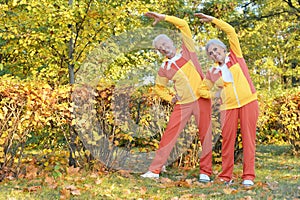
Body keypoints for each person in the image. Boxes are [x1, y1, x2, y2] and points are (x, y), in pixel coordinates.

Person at [141, 11, 213, 183]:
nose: (164, 48)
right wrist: (170, 97)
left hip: (201, 99)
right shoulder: (165, 67)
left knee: (205, 134)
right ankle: (154, 170)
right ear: (159, 52)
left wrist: (164, 18)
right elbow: (159, 88)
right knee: (169, 135)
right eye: (160, 48)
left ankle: (206, 172)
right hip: (183, 104)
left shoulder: (188, 52)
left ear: (171, 42)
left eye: (165, 44)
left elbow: (184, 25)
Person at [194, 13, 259, 187]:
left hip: (248, 102)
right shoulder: (212, 72)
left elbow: (230, 31)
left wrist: (213, 20)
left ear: (223, 49)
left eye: (216, 49)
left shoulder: (236, 56)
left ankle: (248, 176)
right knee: (227, 142)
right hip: (227, 107)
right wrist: (215, 95)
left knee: (248, 139)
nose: (214, 53)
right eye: (210, 53)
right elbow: (201, 90)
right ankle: (225, 176)